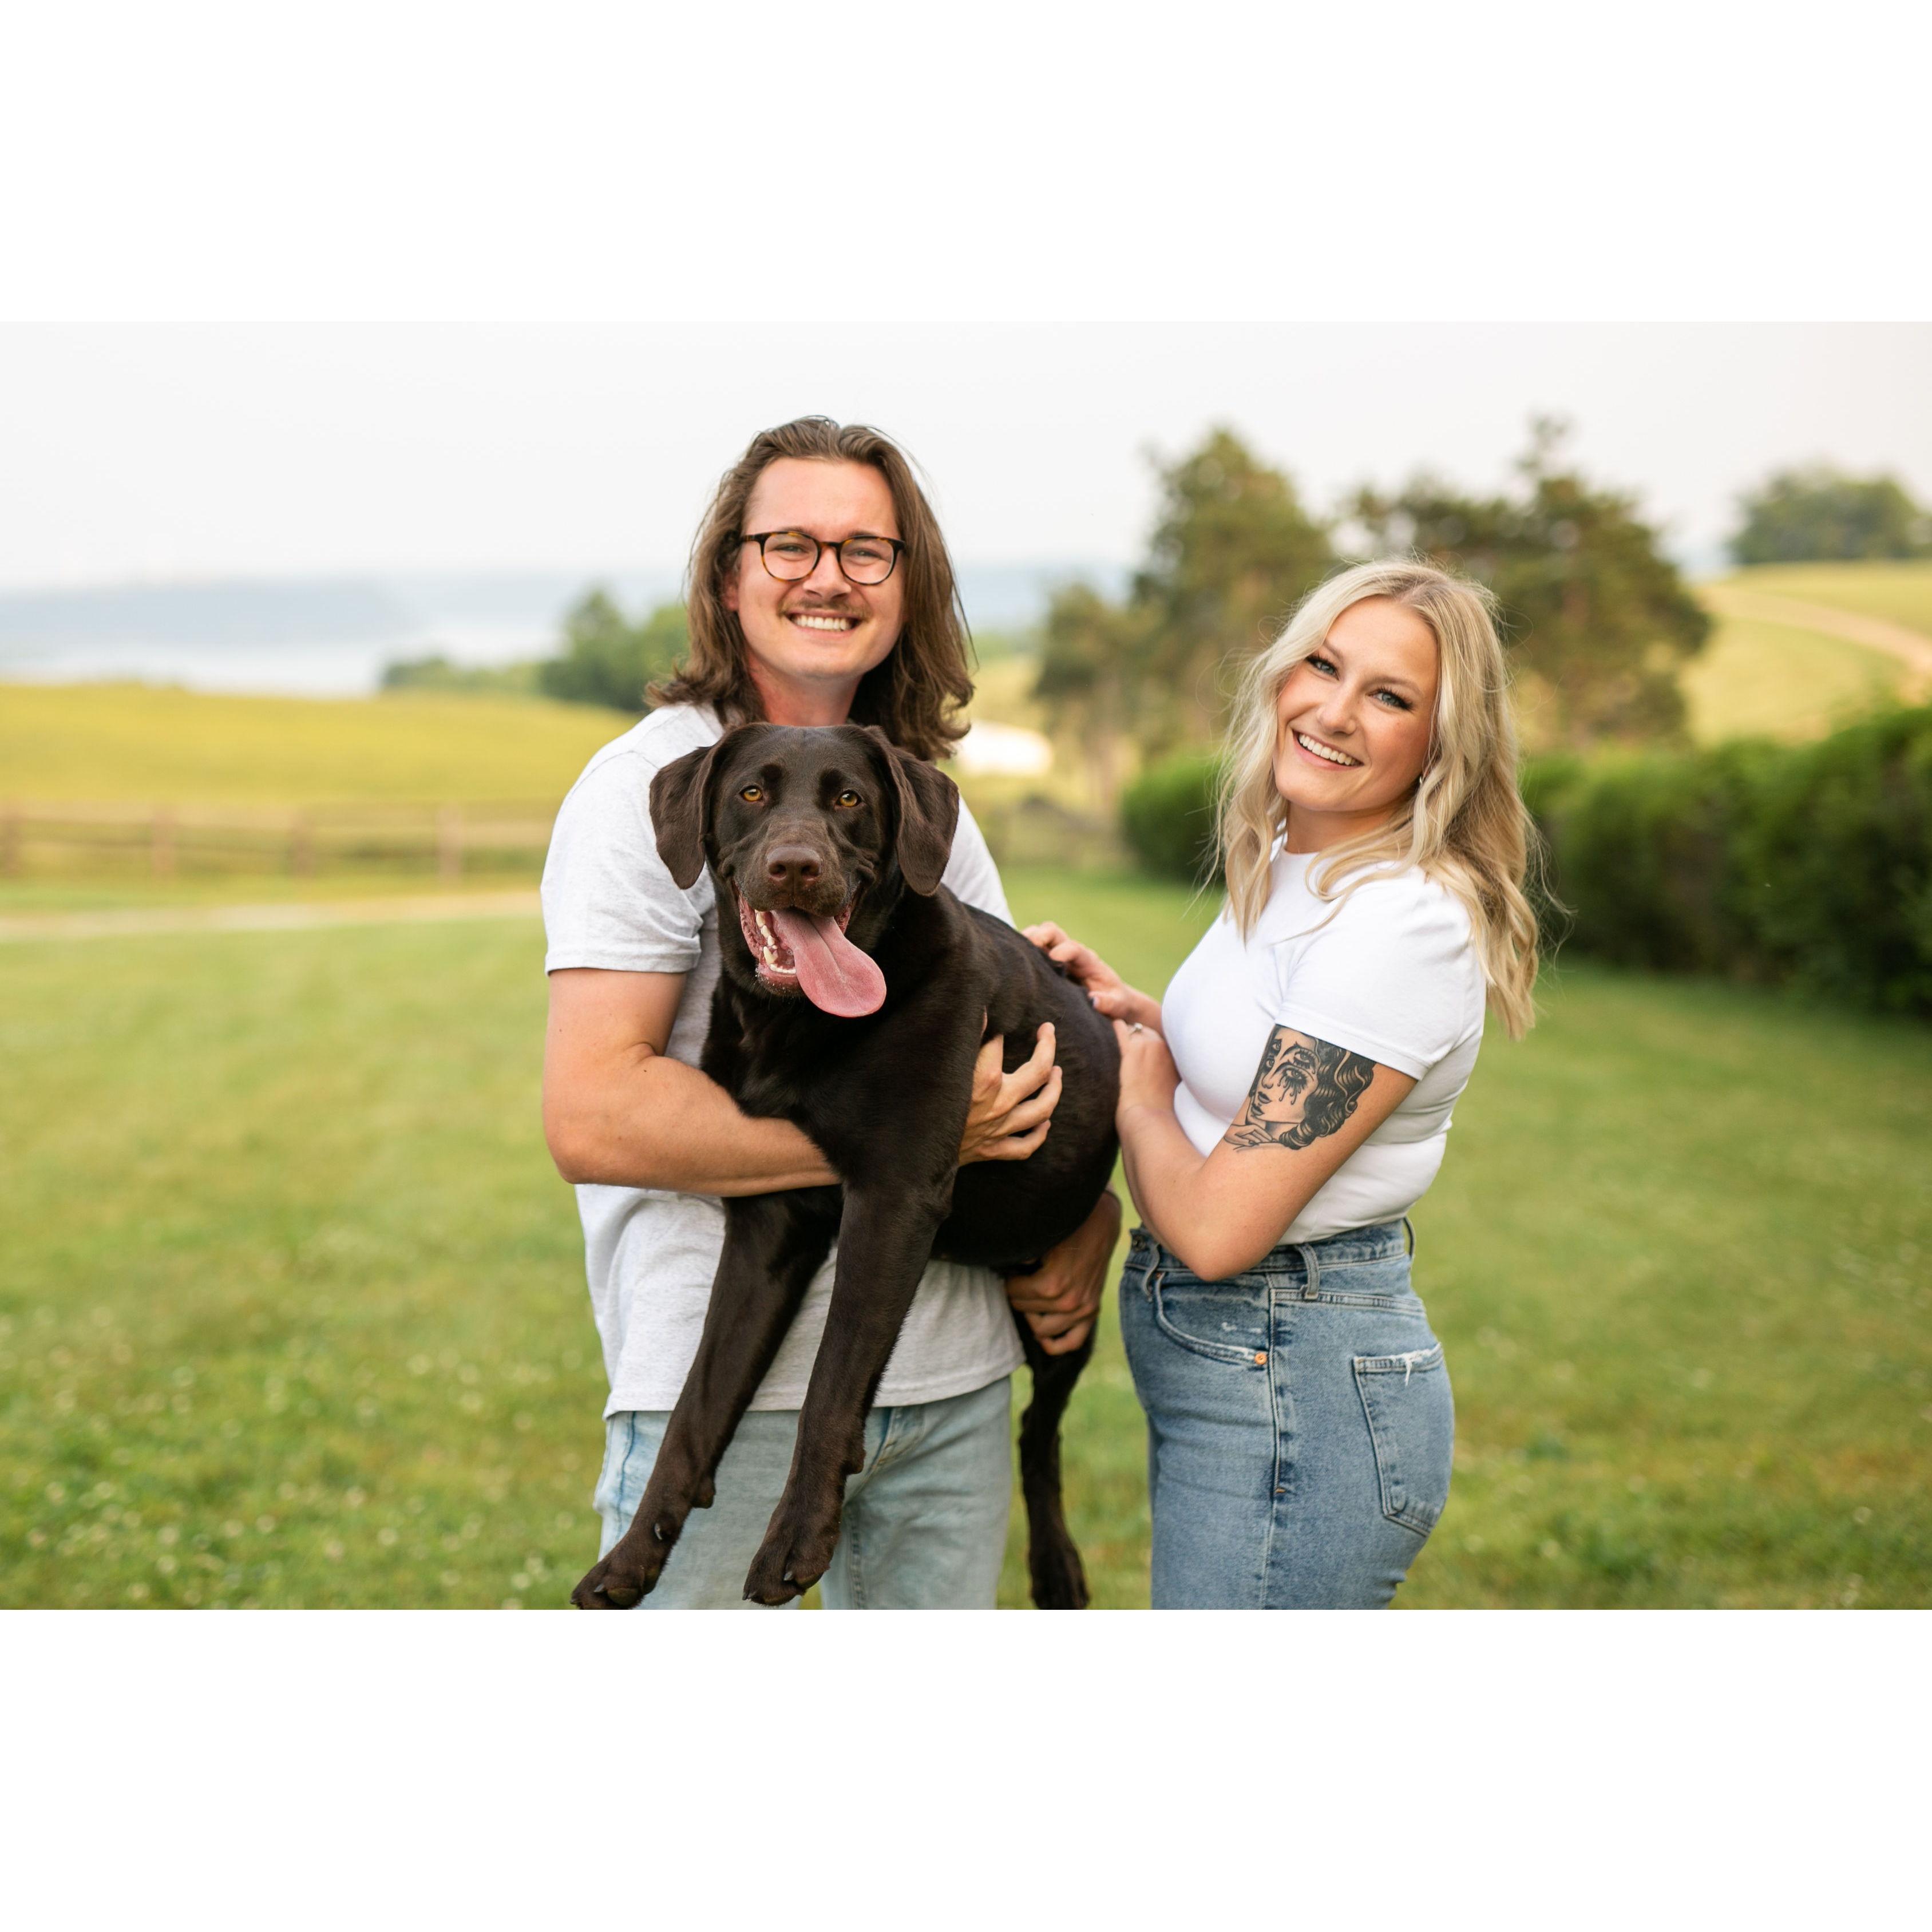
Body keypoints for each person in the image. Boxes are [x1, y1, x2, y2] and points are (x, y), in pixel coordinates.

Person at [540, 416, 1121, 1609]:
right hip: (738, 1402)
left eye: (866, 549)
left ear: (909, 586)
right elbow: (594, 1114)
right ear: (728, 574)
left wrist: (1078, 1209)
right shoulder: (642, 789)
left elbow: (1004, 1048)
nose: (826, 576)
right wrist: (914, 1148)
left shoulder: (904, 792)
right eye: (790, 542)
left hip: (952, 1384)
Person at [1027, 558, 1538, 1608]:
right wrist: (1138, 1016)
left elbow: (1219, 1230)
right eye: (1324, 665)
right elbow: (1276, 1076)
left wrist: (1136, 1091)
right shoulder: (1294, 858)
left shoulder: (1399, 923)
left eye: (1390, 697)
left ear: (1443, 745)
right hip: (1255, 1370)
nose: (1335, 711)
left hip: (1293, 1374)